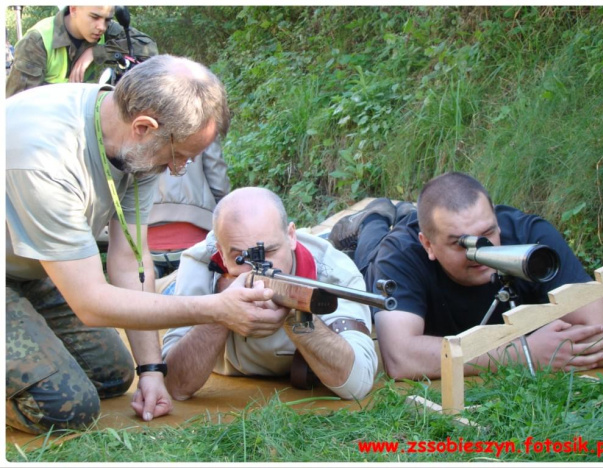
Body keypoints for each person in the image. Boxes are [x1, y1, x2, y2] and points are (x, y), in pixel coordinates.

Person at [6, 54, 288, 435]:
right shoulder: (42, 158)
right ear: (144, 126)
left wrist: (151, 370)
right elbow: (90, 303)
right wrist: (215, 309)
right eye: (178, 158)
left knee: (112, 375)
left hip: (32, 263)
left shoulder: (133, 142)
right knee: (65, 408)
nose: (176, 170)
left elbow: (130, 260)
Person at [328, 172, 603, 380]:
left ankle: (407, 215)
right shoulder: (401, 254)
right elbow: (400, 357)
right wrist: (521, 354)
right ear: (428, 244)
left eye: (488, 233)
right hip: (383, 250)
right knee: (369, 257)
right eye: (460, 243)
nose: (482, 250)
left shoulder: (531, 237)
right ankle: (373, 218)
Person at [162, 187, 378, 401]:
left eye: (270, 252)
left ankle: (361, 226)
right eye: (241, 259)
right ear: (221, 252)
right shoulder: (200, 262)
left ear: (291, 236)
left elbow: (357, 385)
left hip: (316, 259)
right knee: (159, 294)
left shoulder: (335, 275)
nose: (259, 269)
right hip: (170, 285)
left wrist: (296, 316)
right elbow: (175, 385)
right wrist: (219, 313)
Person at [6, 5, 158, 97]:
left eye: (107, 19)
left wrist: (96, 52)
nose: (102, 27)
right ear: (73, 9)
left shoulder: (106, 29)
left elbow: (148, 47)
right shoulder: (36, 41)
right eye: (94, 17)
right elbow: (17, 105)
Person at [147, 138, 231, 279]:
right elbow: (219, 184)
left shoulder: (135, 119)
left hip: (145, 240)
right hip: (194, 239)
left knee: (145, 299)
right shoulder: (203, 121)